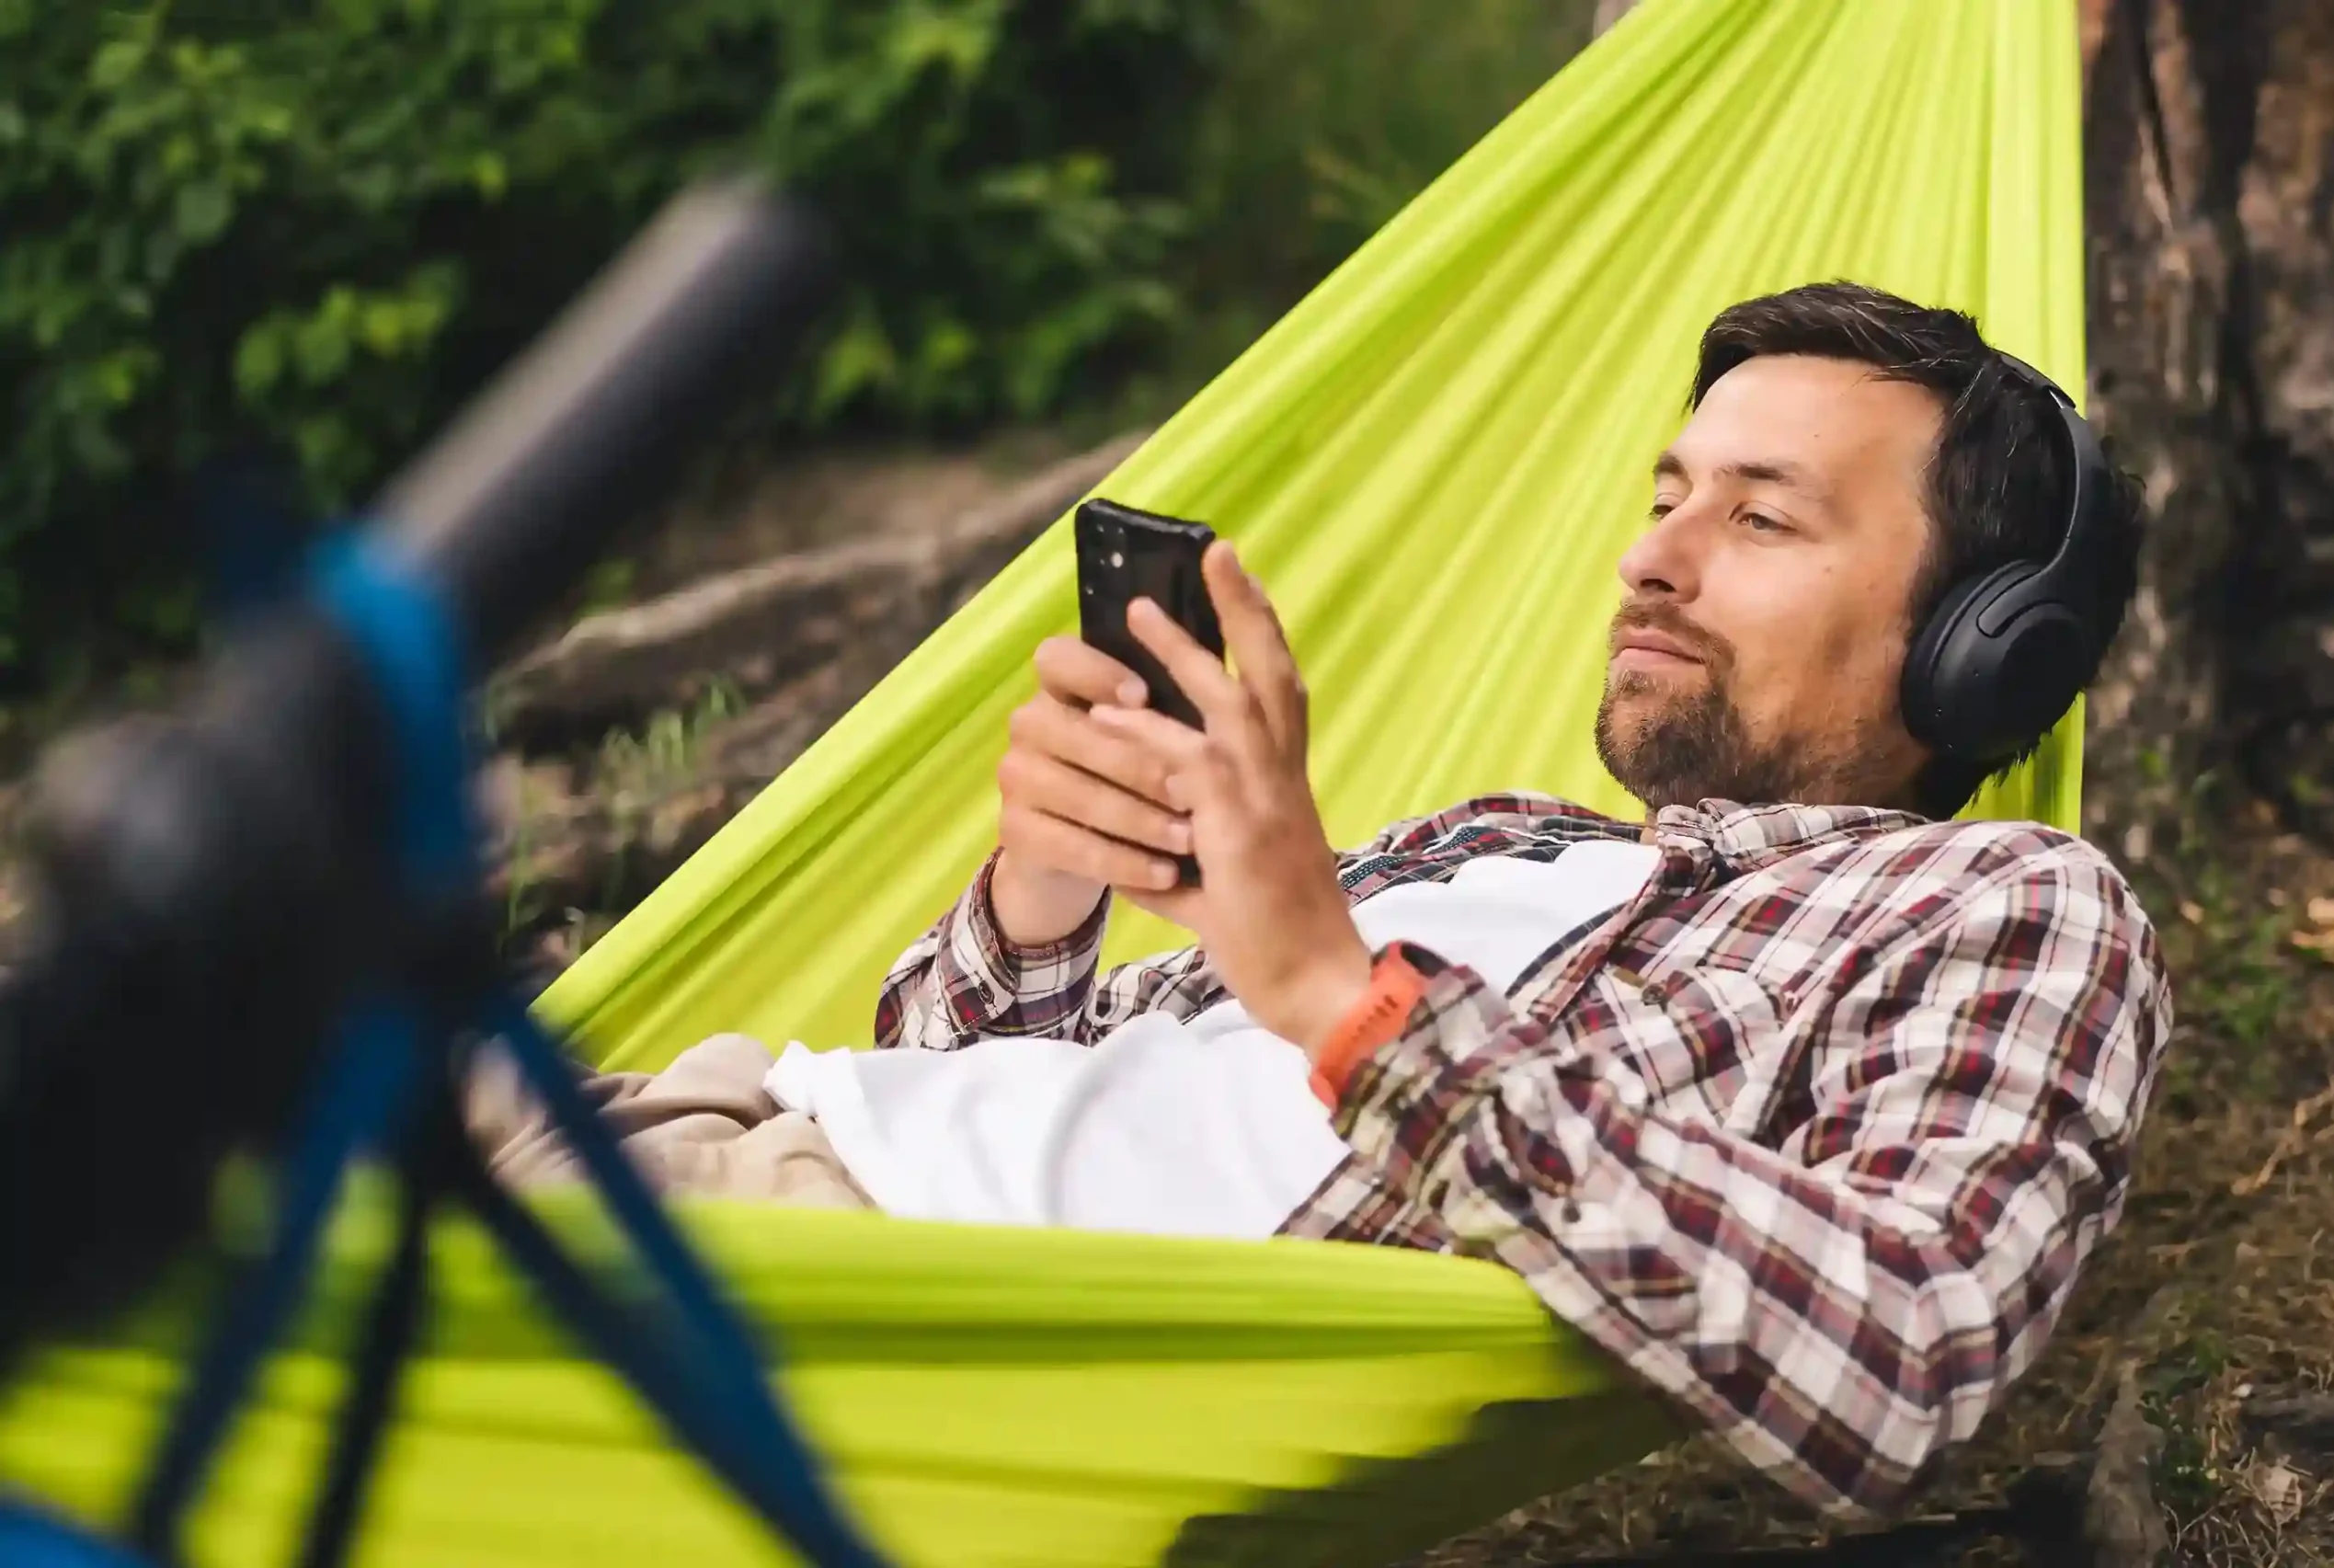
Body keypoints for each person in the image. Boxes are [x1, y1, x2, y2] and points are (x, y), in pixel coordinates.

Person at [473, 280, 2169, 1519]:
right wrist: (1049, 892)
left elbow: (1906, 1354)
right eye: (1666, 495)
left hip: (831, 1310)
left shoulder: (2003, 903)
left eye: (1763, 517)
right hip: (699, 1119)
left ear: (1982, 644)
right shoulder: (1504, 843)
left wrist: (1350, 1006)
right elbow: (969, 1084)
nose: (1653, 555)